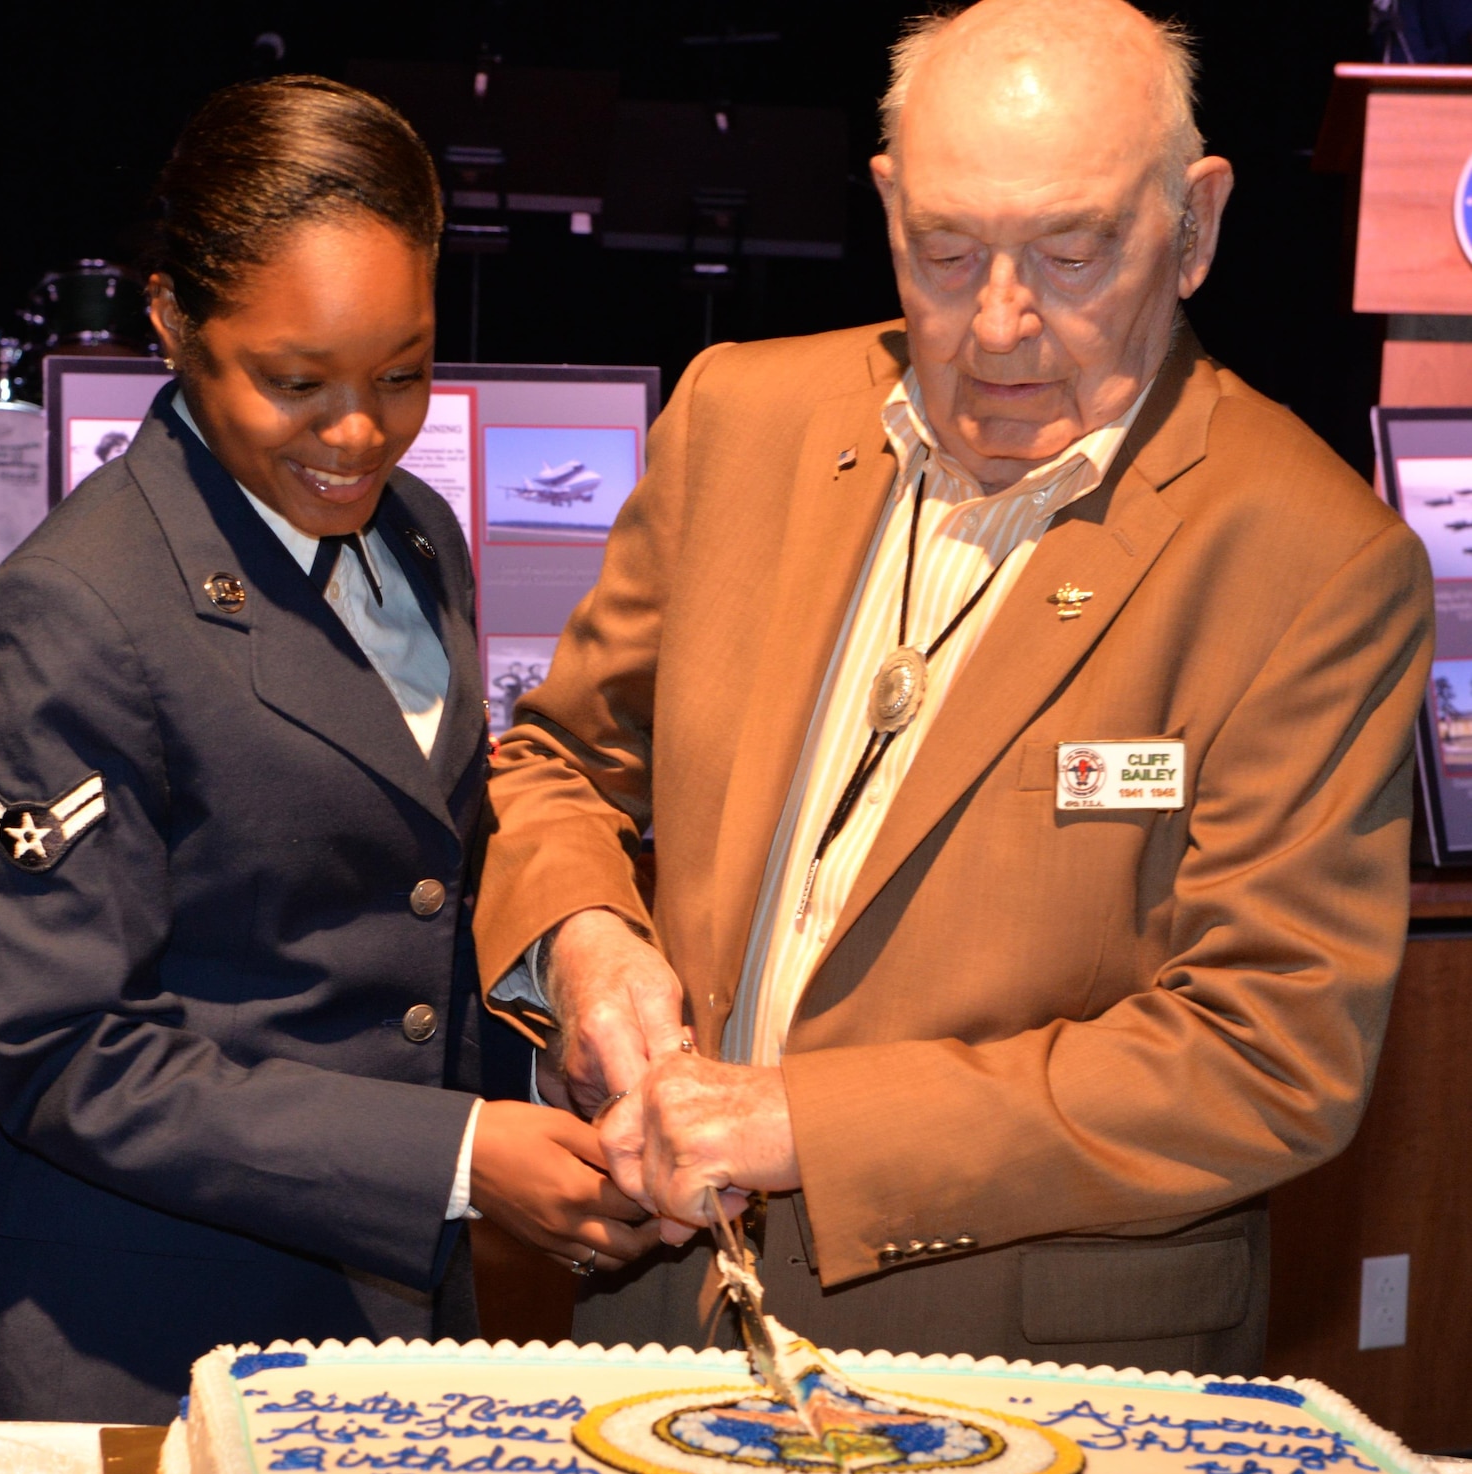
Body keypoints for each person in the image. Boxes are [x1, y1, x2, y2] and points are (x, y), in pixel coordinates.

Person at [474, 0, 1435, 1371]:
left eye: (1070, 251)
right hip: (657, 1327)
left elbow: (1264, 1054)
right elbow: (559, 761)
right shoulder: (737, 419)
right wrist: (584, 942)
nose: (997, 326)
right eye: (943, 252)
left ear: (1195, 226)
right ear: (882, 205)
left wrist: (804, 1126)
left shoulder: (1312, 561)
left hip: (1041, 1387)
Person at [0, 75, 656, 1422]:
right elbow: (71, 1053)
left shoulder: (418, 534)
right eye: (295, 382)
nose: (358, 434)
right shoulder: (77, 607)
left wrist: (554, 1045)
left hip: (391, 1323)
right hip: (148, 1344)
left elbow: (405, 907)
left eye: (402, 374)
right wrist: (458, 1155)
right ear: (169, 322)